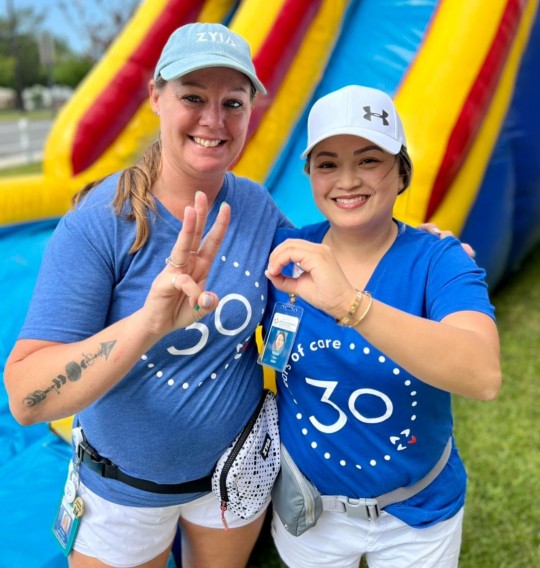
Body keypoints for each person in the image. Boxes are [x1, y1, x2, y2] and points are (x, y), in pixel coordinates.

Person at [4, 22, 291, 568]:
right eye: (192, 97)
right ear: (155, 96)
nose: (214, 120)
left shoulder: (255, 207)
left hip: (231, 479)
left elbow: (326, 263)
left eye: (233, 102)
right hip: (121, 493)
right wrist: (148, 324)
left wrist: (415, 247)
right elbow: (25, 397)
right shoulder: (101, 223)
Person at [264, 85, 502, 567]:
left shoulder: (439, 259)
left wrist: (351, 305)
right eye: (328, 163)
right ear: (310, 175)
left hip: (419, 512)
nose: (347, 180)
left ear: (401, 171)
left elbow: (483, 375)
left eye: (369, 160)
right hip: (310, 511)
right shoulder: (283, 255)